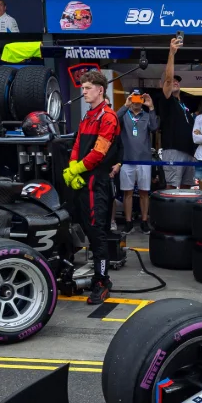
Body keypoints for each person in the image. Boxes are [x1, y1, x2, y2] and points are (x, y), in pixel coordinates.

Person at [64, 70, 121, 304]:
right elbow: (77, 144)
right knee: (78, 227)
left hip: (98, 183)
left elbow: (99, 152)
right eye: (82, 88)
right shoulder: (87, 116)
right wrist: (72, 167)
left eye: (87, 88)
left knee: (98, 234)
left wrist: (77, 169)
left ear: (100, 90)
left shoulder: (108, 117)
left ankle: (102, 281)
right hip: (82, 182)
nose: (84, 92)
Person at [157, 36, 198, 190]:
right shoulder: (167, 100)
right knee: (172, 187)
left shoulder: (184, 105)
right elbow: (168, 80)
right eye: (172, 80)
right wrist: (171, 53)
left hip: (189, 151)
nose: (174, 82)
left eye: (177, 80)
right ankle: (170, 209)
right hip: (173, 150)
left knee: (187, 188)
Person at [116, 90, 158, 232]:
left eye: (139, 98)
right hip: (127, 159)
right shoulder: (124, 114)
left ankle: (144, 221)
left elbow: (154, 127)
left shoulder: (146, 115)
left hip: (144, 160)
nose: (136, 101)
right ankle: (128, 222)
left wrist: (151, 107)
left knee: (144, 192)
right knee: (127, 192)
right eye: (133, 98)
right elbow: (113, 120)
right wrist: (125, 105)